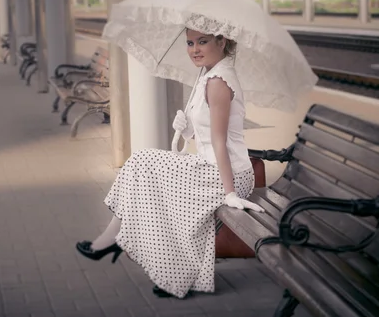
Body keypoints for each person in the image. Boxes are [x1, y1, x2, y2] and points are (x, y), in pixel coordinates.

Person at [75, 29, 264, 299]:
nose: (194, 49)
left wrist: (230, 193)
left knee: (143, 164)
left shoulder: (218, 81)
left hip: (227, 175)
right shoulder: (207, 75)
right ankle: (124, 243)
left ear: (222, 41)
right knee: (143, 167)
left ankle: (117, 240)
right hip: (212, 167)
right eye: (190, 43)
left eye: (203, 41)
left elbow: (220, 141)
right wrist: (185, 127)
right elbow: (204, 135)